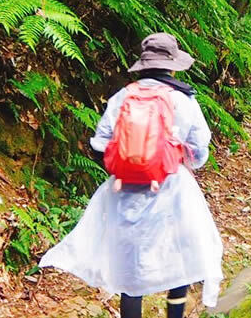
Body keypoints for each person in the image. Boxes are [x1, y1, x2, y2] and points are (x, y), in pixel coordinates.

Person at [39, 33, 223, 318]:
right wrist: (175, 158)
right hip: (173, 188)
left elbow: (99, 145)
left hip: (124, 192)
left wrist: (126, 166)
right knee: (180, 257)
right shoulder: (183, 100)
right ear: (172, 66)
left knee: (131, 267)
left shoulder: (122, 97)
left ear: (144, 64)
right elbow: (199, 154)